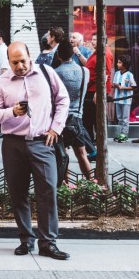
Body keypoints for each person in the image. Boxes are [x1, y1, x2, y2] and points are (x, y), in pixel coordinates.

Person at [0, 41, 70, 260]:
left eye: (23, 61)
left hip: (43, 141)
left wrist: (56, 127)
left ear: (29, 56)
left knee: (48, 192)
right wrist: (12, 112)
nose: (20, 66)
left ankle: (48, 243)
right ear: (8, 61)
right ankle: (26, 239)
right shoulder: (1, 82)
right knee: (18, 193)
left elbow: (63, 100)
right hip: (13, 143)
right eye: (14, 62)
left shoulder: (47, 73)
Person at [52, 40, 93, 179]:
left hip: (60, 118)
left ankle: (66, 185)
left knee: (62, 154)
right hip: (77, 119)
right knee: (82, 154)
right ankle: (92, 183)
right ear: (72, 54)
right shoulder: (85, 71)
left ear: (58, 55)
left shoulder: (55, 73)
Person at [82, 34, 113, 139]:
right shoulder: (98, 52)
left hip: (95, 89)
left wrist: (98, 91)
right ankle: (91, 139)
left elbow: (105, 74)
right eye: (92, 39)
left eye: (95, 39)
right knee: (90, 117)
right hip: (91, 88)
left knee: (95, 117)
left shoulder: (105, 53)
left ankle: (97, 139)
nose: (93, 41)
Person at [111, 55, 136, 142]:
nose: (117, 64)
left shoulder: (129, 75)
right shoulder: (117, 73)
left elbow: (133, 86)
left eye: (119, 62)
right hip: (117, 99)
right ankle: (119, 133)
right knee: (119, 118)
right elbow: (114, 84)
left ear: (125, 64)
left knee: (125, 118)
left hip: (126, 100)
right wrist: (115, 85)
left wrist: (123, 87)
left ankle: (124, 134)